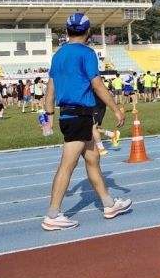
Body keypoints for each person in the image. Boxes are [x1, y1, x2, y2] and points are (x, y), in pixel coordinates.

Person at [41, 13, 131, 231]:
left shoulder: (59, 54)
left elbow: (50, 87)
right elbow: (98, 85)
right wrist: (116, 108)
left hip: (70, 115)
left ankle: (108, 204)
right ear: (88, 31)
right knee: (67, 165)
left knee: (93, 159)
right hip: (79, 115)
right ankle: (53, 214)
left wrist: (48, 116)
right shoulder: (87, 53)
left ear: (66, 31)